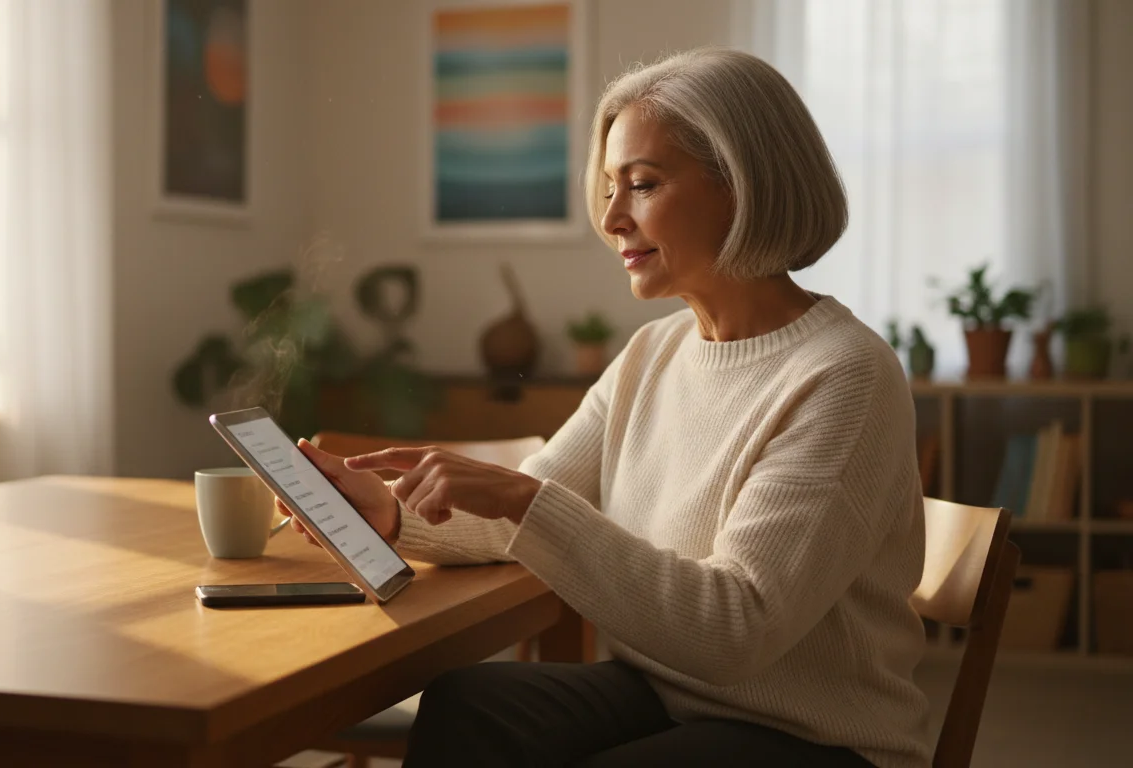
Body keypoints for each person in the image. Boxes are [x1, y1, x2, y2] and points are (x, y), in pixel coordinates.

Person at [280, 47, 929, 767]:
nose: (612, 217)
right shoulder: (655, 353)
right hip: (668, 694)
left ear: (743, 186)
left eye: (643, 185)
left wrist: (528, 502)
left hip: (811, 735)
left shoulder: (843, 375)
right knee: (467, 706)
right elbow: (517, 519)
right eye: (611, 186)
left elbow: (735, 630)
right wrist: (390, 513)